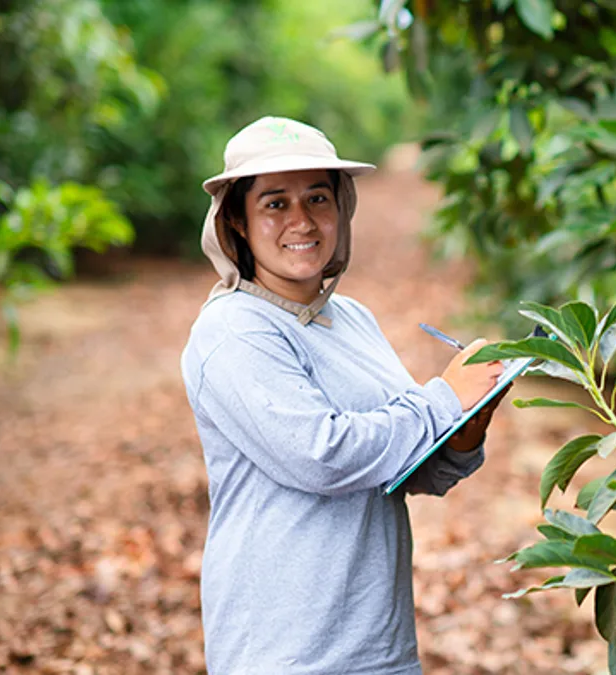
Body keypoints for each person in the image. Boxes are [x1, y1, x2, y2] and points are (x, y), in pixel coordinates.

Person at [179, 116, 507, 675]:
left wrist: (469, 418)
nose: (302, 221)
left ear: (341, 207)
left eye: (318, 198)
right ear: (236, 218)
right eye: (275, 203)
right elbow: (321, 455)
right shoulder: (233, 331)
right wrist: (444, 400)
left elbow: (412, 468)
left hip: (378, 645)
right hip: (287, 652)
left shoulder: (351, 318)